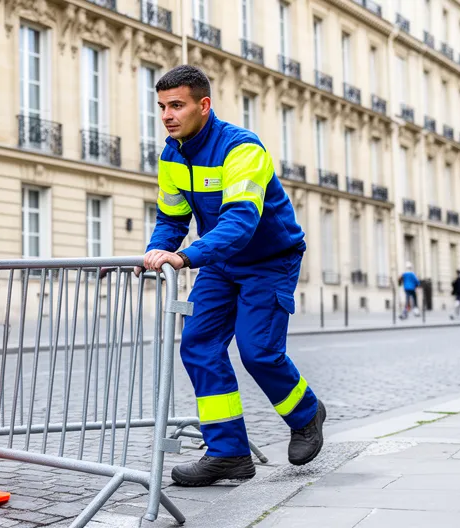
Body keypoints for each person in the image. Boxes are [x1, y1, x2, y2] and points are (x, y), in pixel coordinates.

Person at [139, 65, 324, 487]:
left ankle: (306, 414)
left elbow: (240, 222)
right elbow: (171, 217)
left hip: (268, 260)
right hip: (222, 262)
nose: (167, 115)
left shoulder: (242, 149)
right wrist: (155, 251)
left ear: (204, 106)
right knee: (199, 344)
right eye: (162, 106)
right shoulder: (172, 154)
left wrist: (185, 258)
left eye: (177, 105)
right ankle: (228, 453)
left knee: (258, 350)